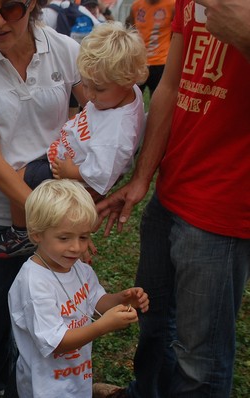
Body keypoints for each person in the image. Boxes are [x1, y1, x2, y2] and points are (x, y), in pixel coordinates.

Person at [94, 0, 250, 396]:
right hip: (172, 188)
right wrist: (143, 177)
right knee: (152, 320)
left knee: (200, 361)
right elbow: (171, 85)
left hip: (223, 201)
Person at [0, 0, 87, 395]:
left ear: (34, 5)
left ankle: (39, 383)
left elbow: (100, 110)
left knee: (51, 311)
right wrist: (47, 215)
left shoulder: (65, 50)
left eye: (11, 8)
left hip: (53, 211)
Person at [0, 21, 147, 259]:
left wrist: (72, 172)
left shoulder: (117, 133)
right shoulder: (123, 95)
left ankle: (21, 235)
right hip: (66, 155)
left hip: (70, 176)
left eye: (98, 89)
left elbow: (102, 176)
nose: (88, 95)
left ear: (128, 80)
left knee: (17, 177)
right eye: (86, 85)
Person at [8, 179, 149, 397]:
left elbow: (95, 303)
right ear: (36, 234)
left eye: (83, 237)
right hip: (45, 388)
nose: (76, 247)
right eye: (64, 238)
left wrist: (122, 300)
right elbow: (56, 343)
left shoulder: (79, 269)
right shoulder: (34, 283)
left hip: (76, 378)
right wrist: (103, 326)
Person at [126, 0, 175, 97]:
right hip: (139, 62)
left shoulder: (172, 5)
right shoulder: (136, 6)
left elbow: (176, 34)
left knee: (158, 100)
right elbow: (132, 29)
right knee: (131, 99)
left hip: (161, 62)